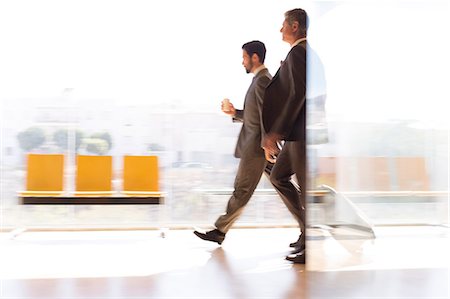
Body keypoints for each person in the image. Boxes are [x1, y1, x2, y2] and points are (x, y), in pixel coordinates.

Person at [194, 41, 273, 244]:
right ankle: (307, 223)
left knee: (242, 189)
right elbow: (255, 115)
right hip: (261, 146)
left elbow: (268, 117)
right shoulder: (259, 79)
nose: (242, 62)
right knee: (284, 186)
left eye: (244, 57)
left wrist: (267, 144)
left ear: (255, 58)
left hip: (258, 148)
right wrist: (234, 113)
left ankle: (220, 230)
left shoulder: (263, 80)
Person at [262, 8, 309, 264]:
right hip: (296, 133)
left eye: (283, 25)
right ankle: (306, 230)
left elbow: (298, 95)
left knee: (304, 189)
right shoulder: (298, 55)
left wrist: (276, 131)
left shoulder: (300, 52)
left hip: (299, 132)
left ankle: (310, 240)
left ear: (293, 26)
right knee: (279, 176)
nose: (280, 30)